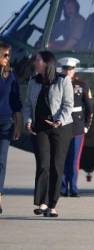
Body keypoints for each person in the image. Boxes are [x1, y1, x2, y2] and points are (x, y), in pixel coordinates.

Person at [23, 51, 73, 217]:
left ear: (46, 63)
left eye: (37, 60)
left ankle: (52, 205)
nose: (34, 62)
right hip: (40, 128)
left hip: (61, 128)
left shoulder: (63, 80)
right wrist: (28, 120)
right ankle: (42, 203)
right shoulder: (33, 81)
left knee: (56, 166)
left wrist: (59, 120)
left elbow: (68, 105)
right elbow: (28, 105)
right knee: (43, 164)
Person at [58, 57, 93, 197]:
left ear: (74, 70)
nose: (67, 71)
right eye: (65, 69)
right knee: (61, 158)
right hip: (61, 125)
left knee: (74, 159)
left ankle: (73, 187)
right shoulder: (56, 84)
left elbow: (89, 108)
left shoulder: (82, 85)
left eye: (70, 69)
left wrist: (86, 126)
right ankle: (61, 188)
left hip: (77, 126)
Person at [0, 41, 22, 214]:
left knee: (1, 161)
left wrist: (18, 124)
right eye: (5, 55)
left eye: (9, 55)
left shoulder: (12, 76)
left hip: (6, 123)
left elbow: (16, 101)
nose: (8, 58)